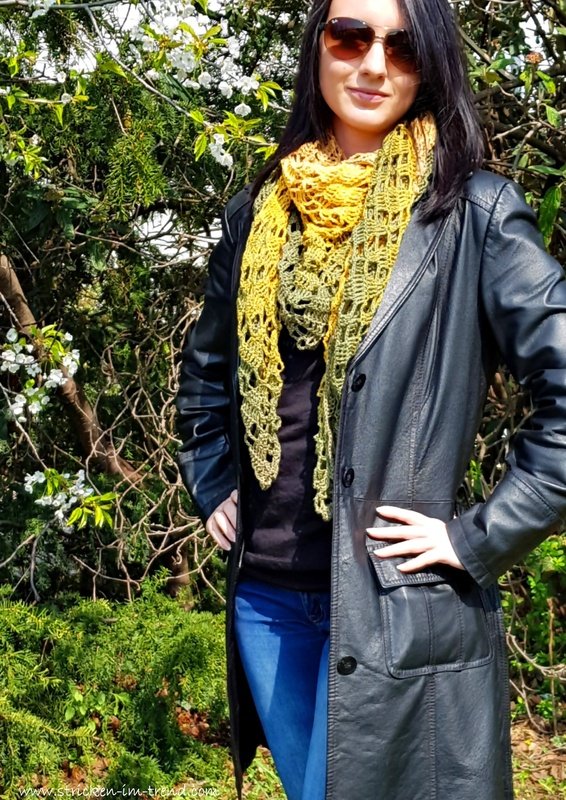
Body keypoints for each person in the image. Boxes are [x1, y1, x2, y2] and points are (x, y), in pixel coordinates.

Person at [176, 0, 566, 798]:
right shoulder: (258, 212)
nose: (373, 64)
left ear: (431, 67)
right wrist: (212, 480)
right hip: (268, 600)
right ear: (318, 47)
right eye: (350, 36)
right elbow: (206, 373)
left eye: (403, 47)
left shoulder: (474, 213)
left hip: (399, 607)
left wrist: (478, 536)